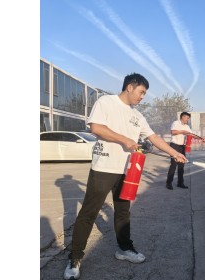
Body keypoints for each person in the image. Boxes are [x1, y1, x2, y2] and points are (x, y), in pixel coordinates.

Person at [64, 73, 188, 280]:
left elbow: (153, 137)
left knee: (123, 212)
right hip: (104, 167)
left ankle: (124, 249)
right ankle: (75, 258)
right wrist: (125, 140)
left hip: (126, 170)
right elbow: (96, 127)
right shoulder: (106, 102)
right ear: (130, 87)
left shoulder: (137, 116)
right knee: (89, 213)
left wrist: (174, 153)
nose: (142, 97)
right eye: (141, 92)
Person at [165, 112, 202, 190]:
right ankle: (169, 183)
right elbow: (173, 132)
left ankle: (180, 183)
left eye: (188, 118)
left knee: (181, 166)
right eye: (187, 118)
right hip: (174, 146)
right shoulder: (176, 123)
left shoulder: (187, 126)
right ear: (183, 117)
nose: (188, 120)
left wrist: (200, 138)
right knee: (173, 165)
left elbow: (191, 134)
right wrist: (182, 131)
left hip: (182, 147)